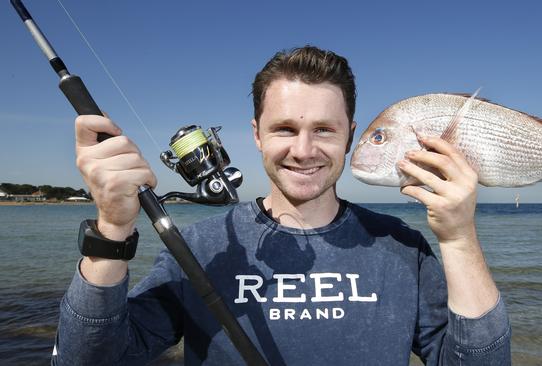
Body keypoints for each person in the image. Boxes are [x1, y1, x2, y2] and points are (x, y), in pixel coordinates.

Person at [52, 46, 511, 365]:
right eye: (285, 129)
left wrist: (458, 237)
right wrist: (111, 230)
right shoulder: (199, 246)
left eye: (325, 130)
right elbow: (88, 359)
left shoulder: (403, 246)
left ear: (350, 134)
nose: (304, 149)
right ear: (256, 134)